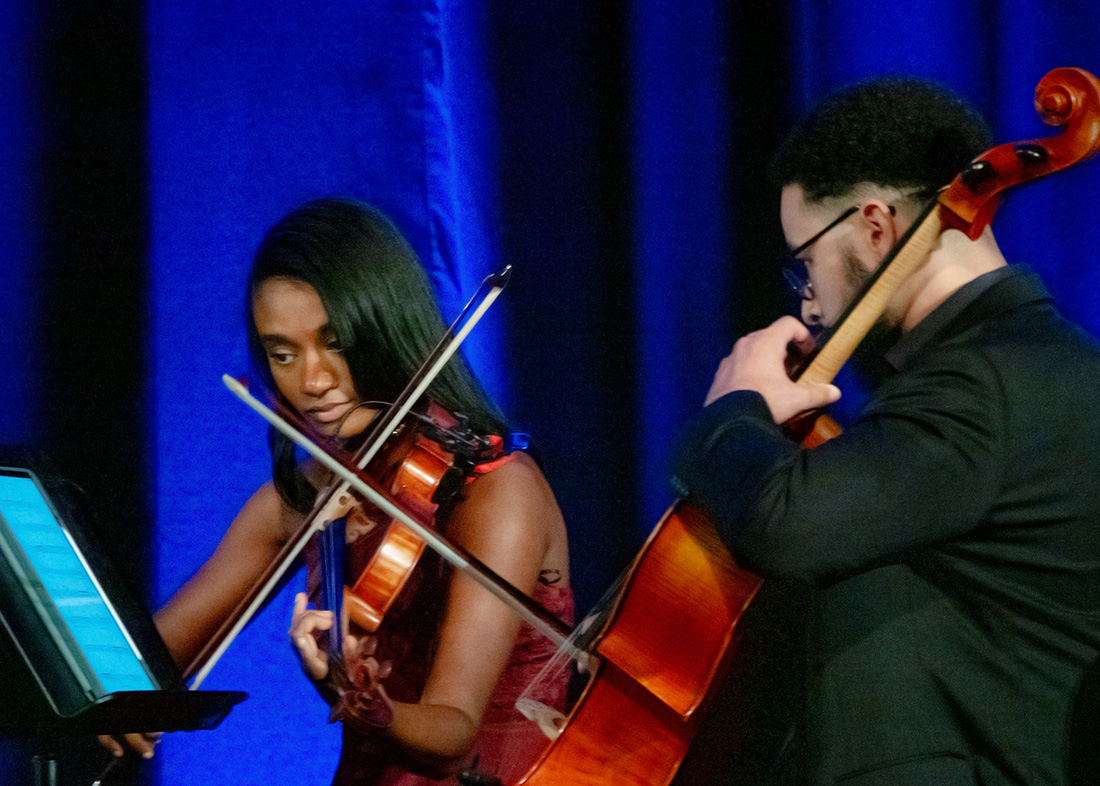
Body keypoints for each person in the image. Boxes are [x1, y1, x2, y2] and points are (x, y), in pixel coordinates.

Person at [670, 77, 1100, 785]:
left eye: (806, 264)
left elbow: (786, 523)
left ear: (876, 227)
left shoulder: (977, 386)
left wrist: (733, 407)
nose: (809, 307)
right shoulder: (1036, 361)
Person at [101, 198, 573, 785]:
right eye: (282, 354)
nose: (314, 381)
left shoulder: (496, 491)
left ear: (387, 327)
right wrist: (111, 697)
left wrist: (364, 702)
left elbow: (453, 735)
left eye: (337, 343)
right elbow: (146, 664)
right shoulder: (305, 498)